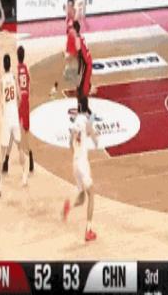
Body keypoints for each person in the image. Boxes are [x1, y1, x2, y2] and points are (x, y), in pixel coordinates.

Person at [62, 96, 98, 242]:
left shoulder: (75, 122)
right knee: (92, 194)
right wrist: (95, 138)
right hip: (82, 162)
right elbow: (94, 138)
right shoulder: (85, 121)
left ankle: (69, 206)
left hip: (75, 162)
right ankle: (88, 230)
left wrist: (76, 154)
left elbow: (70, 142)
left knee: (82, 197)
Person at [0, 53, 27, 196]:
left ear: (4, 65)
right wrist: (16, 108)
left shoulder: (2, 81)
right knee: (20, 147)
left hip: (7, 118)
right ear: (10, 64)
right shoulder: (14, 78)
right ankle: (24, 177)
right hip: (14, 116)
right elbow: (20, 97)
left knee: (2, 151)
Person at [2, 46, 34, 174]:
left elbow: (16, 90)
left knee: (12, 131)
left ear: (17, 56)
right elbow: (30, 86)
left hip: (19, 104)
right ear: (24, 55)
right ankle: (31, 156)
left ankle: (6, 160)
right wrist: (27, 96)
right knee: (25, 132)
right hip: (26, 101)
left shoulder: (15, 72)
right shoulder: (27, 69)